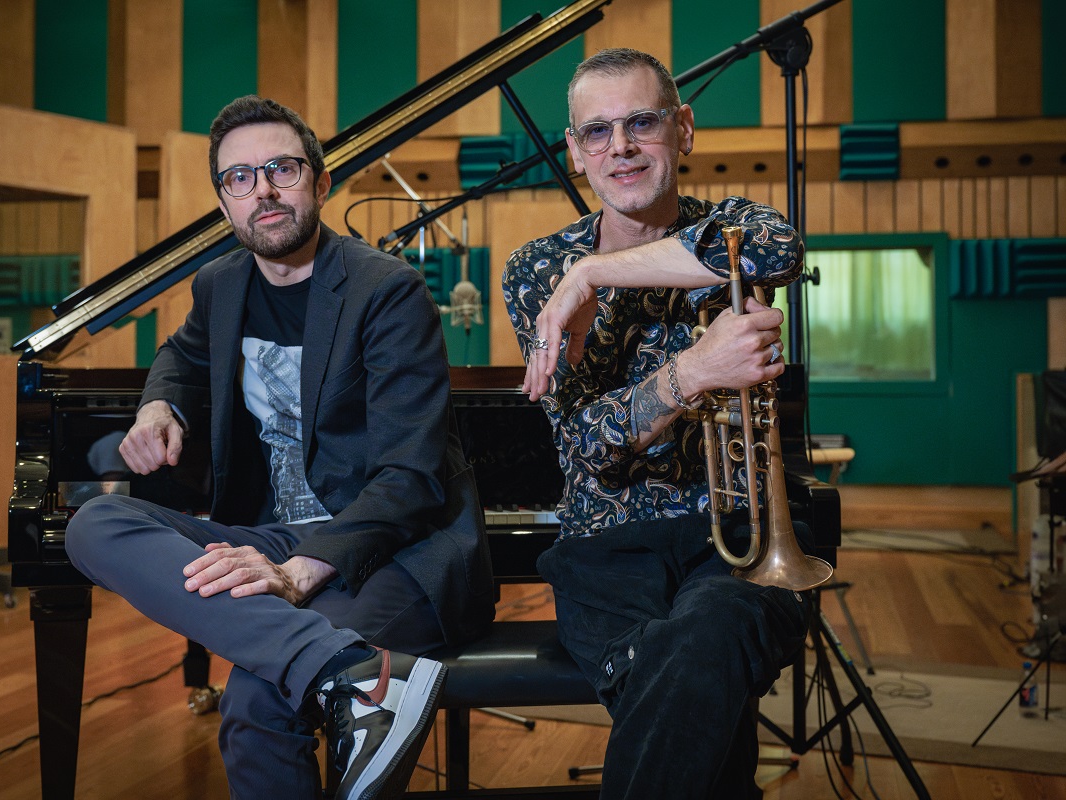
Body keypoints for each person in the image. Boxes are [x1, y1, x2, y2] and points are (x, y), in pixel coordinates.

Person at [66, 95, 494, 800]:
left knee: (256, 700)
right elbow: (181, 354)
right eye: (239, 177)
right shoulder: (221, 283)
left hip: (391, 550)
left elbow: (410, 479)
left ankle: (333, 669)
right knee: (95, 522)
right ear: (224, 201)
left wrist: (298, 574)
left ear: (320, 184)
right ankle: (345, 672)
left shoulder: (387, 290)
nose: (261, 190)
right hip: (272, 534)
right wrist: (159, 403)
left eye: (281, 170)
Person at [502, 49, 812, 798]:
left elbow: (782, 249)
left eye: (642, 122)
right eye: (598, 131)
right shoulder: (536, 269)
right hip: (603, 555)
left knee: (707, 638)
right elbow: (584, 447)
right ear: (575, 151)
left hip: (733, 541)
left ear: (684, 130)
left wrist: (593, 272)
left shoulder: (734, 229)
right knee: (704, 673)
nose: (622, 147)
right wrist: (695, 371)